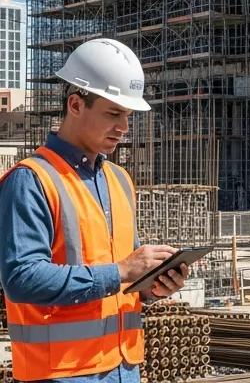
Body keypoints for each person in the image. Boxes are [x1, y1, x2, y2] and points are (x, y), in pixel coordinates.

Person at [0, 38, 189, 383]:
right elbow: (21, 279)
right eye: (113, 113)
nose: (124, 128)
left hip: (124, 368)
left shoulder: (119, 180)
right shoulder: (31, 180)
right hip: (61, 372)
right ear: (75, 104)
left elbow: (120, 279)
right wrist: (120, 271)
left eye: (128, 116)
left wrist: (150, 287)